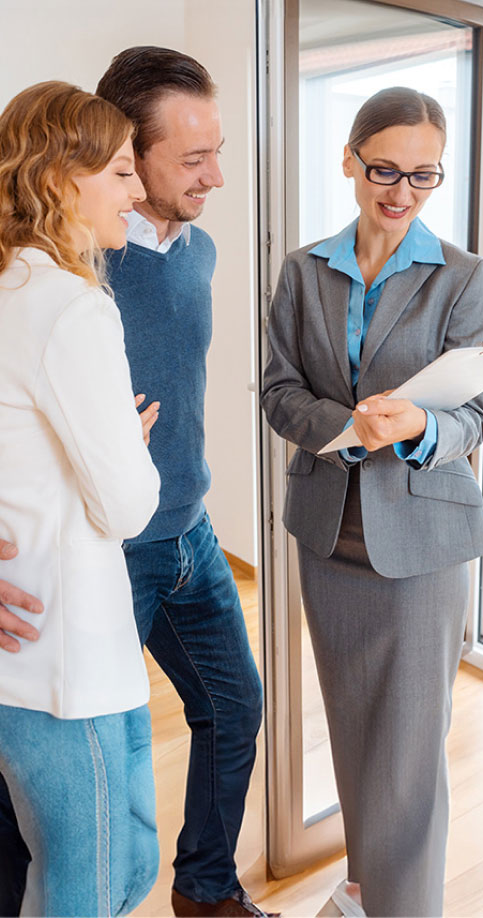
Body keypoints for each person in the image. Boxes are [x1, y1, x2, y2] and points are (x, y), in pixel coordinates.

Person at [0, 48, 270, 918]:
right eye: (191, 159)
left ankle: (207, 888)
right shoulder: (69, 274)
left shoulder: (200, 253)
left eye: (217, 151)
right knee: (62, 809)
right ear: (124, 154)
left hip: (187, 530)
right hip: (105, 551)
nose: (215, 177)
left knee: (232, 711)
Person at [261, 87, 483, 918]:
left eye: (423, 176)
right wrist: (349, 428)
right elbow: (279, 392)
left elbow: (474, 415)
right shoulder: (302, 270)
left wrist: (420, 423)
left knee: (408, 755)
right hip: (330, 539)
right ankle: (365, 889)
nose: (401, 192)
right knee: (357, 733)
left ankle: (405, 907)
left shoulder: (464, 276)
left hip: (422, 540)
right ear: (351, 160)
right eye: (385, 169)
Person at [0, 80, 161, 916]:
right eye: (123, 172)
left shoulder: (14, 288)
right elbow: (129, 507)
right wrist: (129, 447)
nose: (138, 194)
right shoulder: (71, 306)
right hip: (61, 660)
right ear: (64, 175)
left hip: (49, 653)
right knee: (90, 886)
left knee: (122, 862)